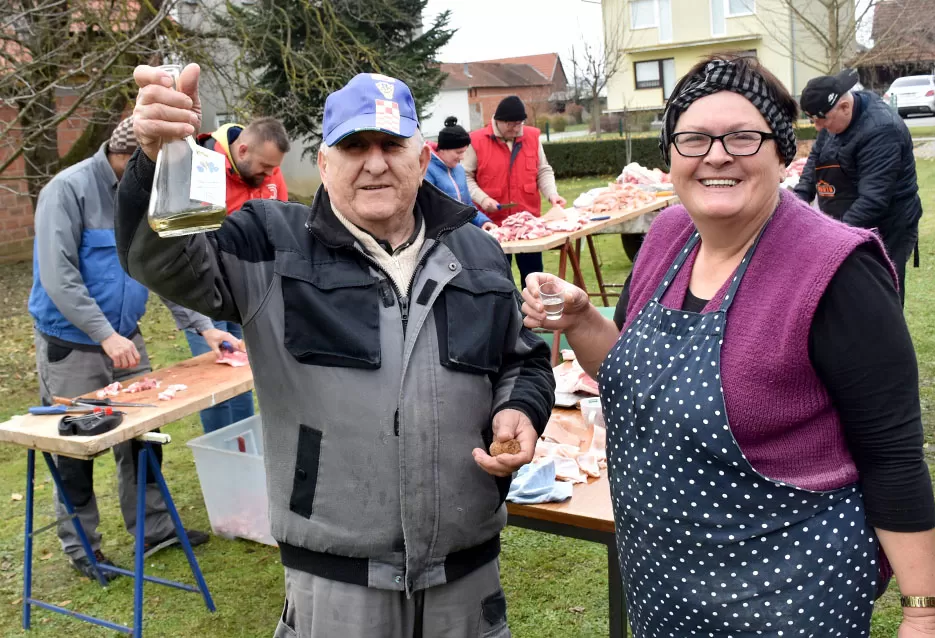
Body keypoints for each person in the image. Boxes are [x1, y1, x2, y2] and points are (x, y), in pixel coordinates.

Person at [119, 67, 555, 637]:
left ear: (422, 159)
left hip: (465, 577)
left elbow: (522, 360)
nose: (375, 163)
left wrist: (520, 408)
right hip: (335, 585)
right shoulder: (272, 244)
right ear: (324, 165)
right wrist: (161, 158)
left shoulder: (477, 254)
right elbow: (163, 261)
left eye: (391, 145)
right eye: (353, 146)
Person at [521, 55, 935, 637]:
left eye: (743, 137)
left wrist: (923, 612)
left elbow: (892, 455)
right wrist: (583, 319)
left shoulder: (836, 271)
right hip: (662, 584)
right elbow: (629, 377)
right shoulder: (668, 237)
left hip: (789, 597)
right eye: (694, 139)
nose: (716, 155)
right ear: (671, 154)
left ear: (783, 153)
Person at [27, 117, 218, 581]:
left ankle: (153, 528)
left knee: (142, 441)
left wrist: (205, 327)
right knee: (76, 449)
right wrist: (104, 335)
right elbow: (59, 276)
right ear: (130, 157)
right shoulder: (66, 191)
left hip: (126, 344)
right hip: (73, 348)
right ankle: (83, 549)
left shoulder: (145, 196)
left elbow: (162, 269)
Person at [186, 116, 291, 432]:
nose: (270, 175)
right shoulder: (202, 166)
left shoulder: (269, 171)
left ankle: (245, 446)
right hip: (207, 293)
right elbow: (187, 242)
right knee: (217, 382)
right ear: (242, 150)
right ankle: (221, 450)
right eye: (264, 167)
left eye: (275, 168)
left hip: (252, 294)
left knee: (245, 375)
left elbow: (282, 225)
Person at [795, 69, 922, 305]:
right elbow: (815, 160)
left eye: (821, 119)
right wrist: (797, 202)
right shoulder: (832, 121)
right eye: (813, 119)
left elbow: (874, 199)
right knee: (848, 288)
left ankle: (886, 339)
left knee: (881, 290)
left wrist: (833, 236)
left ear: (844, 107)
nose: (818, 127)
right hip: (846, 215)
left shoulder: (882, 130)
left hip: (889, 224)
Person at [465, 95, 567, 287]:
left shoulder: (532, 137)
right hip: (493, 226)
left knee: (534, 278)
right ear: (498, 121)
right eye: (511, 125)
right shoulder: (477, 140)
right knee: (497, 281)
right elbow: (465, 176)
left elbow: (543, 170)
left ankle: (533, 314)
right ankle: (506, 316)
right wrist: (483, 198)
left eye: (519, 124)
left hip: (529, 224)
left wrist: (552, 195)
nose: (516, 129)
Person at [424, 116, 496, 231]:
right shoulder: (426, 170)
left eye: (464, 152)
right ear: (443, 149)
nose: (462, 157)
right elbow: (429, 210)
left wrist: (483, 221)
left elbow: (467, 205)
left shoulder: (459, 170)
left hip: (461, 233)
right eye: (458, 152)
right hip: (440, 236)